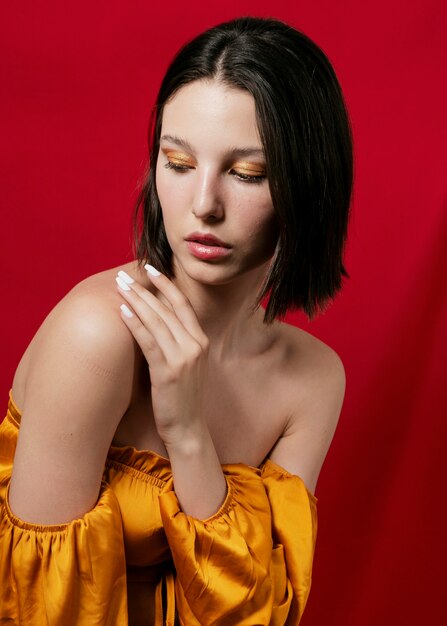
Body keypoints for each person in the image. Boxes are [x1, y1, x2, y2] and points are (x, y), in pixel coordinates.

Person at [0, 14, 353, 626]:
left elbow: (257, 613)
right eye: (179, 162)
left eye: (248, 174)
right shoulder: (99, 334)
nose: (204, 204)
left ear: (309, 186)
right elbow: (41, 611)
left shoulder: (313, 379)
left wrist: (188, 430)